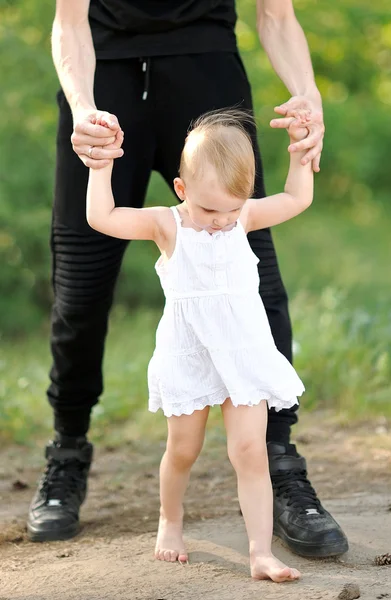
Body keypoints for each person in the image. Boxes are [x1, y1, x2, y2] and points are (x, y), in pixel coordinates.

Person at [28, 0, 348, 558]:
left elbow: (275, 13)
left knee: (258, 281)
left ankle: (280, 464)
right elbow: (69, 19)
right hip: (105, 77)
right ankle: (68, 452)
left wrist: (309, 95)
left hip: (207, 70)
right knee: (79, 288)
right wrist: (84, 108)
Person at [87, 108, 311, 580]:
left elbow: (295, 198)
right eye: (210, 211)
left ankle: (260, 552)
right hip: (190, 355)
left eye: (232, 210)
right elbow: (102, 217)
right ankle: (170, 520)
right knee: (183, 449)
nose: (221, 222)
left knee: (250, 450)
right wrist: (101, 167)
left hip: (243, 354)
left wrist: (300, 149)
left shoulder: (241, 216)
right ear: (182, 190)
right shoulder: (167, 225)